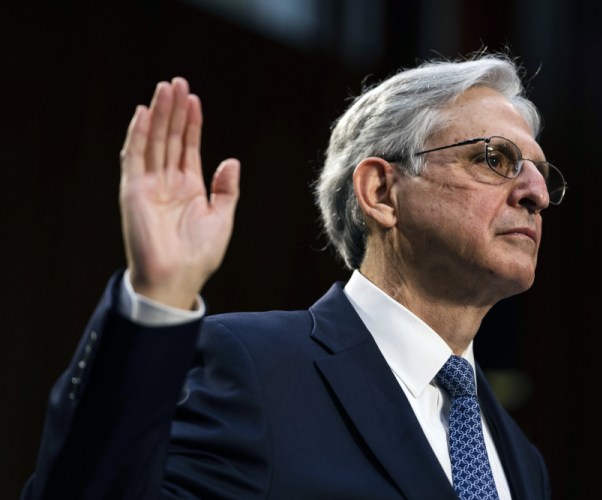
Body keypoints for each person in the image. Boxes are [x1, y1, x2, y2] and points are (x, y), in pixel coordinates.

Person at [23, 53, 566, 499]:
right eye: (495, 159)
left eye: (540, 174)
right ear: (380, 192)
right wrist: (156, 299)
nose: (536, 194)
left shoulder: (521, 458)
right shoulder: (252, 367)